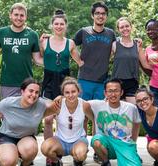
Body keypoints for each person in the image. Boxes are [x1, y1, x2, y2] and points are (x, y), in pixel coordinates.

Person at [0, 78, 60, 166]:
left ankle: (25, 164)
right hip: (6, 137)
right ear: (22, 91)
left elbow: (55, 105)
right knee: (8, 160)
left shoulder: (40, 104)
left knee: (31, 149)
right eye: (31, 91)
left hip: (26, 138)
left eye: (36, 92)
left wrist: (60, 99)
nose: (33, 95)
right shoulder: (9, 103)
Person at [40, 9, 84, 165]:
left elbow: (80, 62)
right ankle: (50, 156)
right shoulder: (44, 42)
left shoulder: (70, 43)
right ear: (52, 25)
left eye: (62, 24)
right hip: (49, 80)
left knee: (62, 117)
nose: (59, 26)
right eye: (56, 24)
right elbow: (38, 59)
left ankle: (67, 149)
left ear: (66, 26)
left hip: (65, 82)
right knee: (48, 119)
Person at [73, 2, 116, 161]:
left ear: (106, 16)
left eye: (103, 13)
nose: (100, 16)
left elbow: (116, 49)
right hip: (84, 79)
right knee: (82, 116)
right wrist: (78, 61)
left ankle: (98, 151)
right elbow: (70, 45)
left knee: (99, 118)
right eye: (97, 13)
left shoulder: (110, 33)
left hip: (102, 81)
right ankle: (81, 149)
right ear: (92, 15)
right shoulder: (83, 32)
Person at [0, 3, 43, 99]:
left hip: (27, 84)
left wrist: (54, 61)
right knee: (7, 113)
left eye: (22, 15)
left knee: (27, 113)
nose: (18, 18)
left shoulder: (32, 35)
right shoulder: (2, 32)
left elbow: (37, 60)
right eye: (16, 14)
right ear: (10, 15)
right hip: (7, 83)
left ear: (25, 17)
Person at [41, 77, 93, 166]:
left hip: (78, 140)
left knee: (81, 155)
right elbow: (43, 115)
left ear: (78, 92)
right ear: (63, 93)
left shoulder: (84, 105)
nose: (70, 95)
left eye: (73, 91)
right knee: (45, 148)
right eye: (67, 92)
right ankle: (56, 161)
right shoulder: (58, 104)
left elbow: (94, 120)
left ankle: (78, 159)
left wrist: (93, 140)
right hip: (60, 141)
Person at [88, 78, 141, 166]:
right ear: (105, 93)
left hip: (125, 144)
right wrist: (61, 97)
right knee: (96, 140)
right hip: (108, 144)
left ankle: (132, 155)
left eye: (116, 91)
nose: (113, 94)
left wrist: (133, 142)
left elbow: (137, 123)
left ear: (121, 92)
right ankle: (105, 162)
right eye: (110, 91)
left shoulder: (131, 108)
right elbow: (79, 103)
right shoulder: (98, 104)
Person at [111, 17, 144, 104]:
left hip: (132, 82)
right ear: (118, 30)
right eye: (122, 27)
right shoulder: (114, 44)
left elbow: (145, 64)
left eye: (127, 26)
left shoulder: (137, 44)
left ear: (131, 27)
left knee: (132, 111)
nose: (125, 29)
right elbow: (103, 61)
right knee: (117, 113)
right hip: (117, 83)